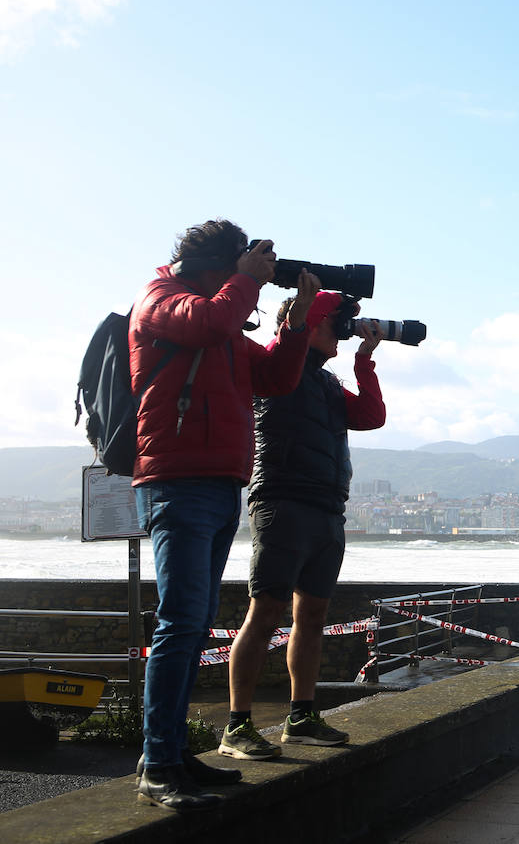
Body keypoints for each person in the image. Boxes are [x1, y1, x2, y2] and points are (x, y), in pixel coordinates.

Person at [130, 219, 320, 811]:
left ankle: (173, 754)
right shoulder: (161, 299)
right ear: (217, 265)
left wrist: (296, 320)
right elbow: (208, 321)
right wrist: (244, 282)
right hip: (177, 479)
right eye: (242, 265)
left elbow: (277, 379)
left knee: (195, 621)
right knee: (181, 622)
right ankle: (158, 764)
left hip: (218, 481)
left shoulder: (223, 322)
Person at [218, 291, 386, 761]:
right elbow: (282, 354)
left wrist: (365, 361)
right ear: (309, 324)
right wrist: (303, 318)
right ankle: (237, 726)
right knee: (265, 613)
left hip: (327, 508)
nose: (343, 332)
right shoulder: (276, 367)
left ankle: (301, 716)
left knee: (310, 619)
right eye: (337, 323)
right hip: (283, 502)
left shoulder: (327, 383)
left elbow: (371, 417)